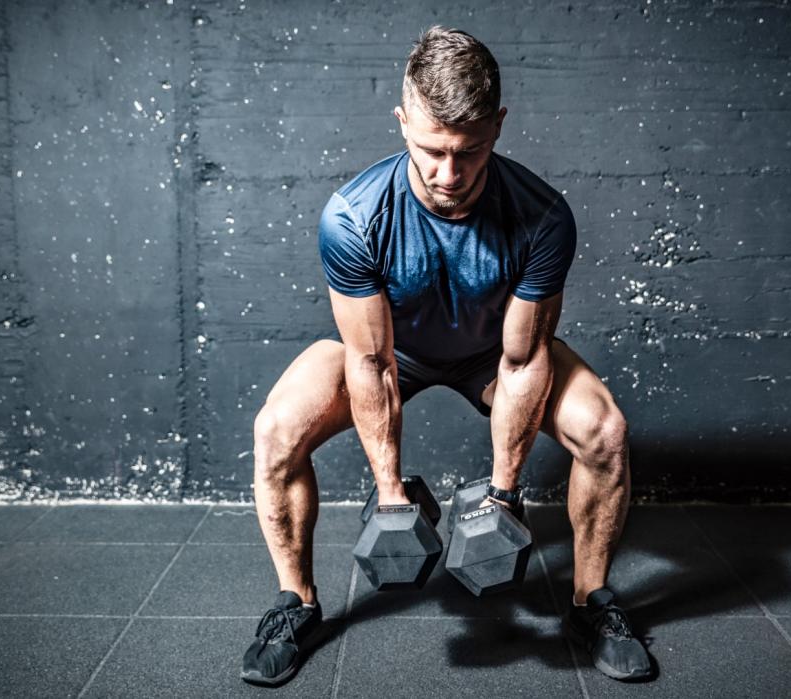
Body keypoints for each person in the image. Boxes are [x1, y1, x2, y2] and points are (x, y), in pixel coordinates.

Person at [239, 26, 650, 687]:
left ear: (499, 126)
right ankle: (296, 603)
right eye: (432, 151)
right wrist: (390, 492)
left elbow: (521, 361)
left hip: (493, 354)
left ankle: (590, 601)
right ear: (403, 122)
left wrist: (506, 494)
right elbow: (369, 361)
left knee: (604, 430)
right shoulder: (353, 216)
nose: (449, 174)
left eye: (471, 151)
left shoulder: (541, 217)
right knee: (276, 429)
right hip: (389, 353)